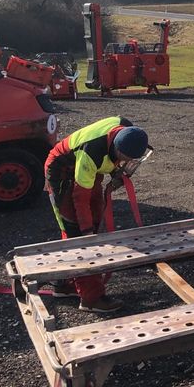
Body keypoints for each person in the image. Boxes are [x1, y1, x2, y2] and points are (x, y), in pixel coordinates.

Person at [44, 116, 150, 313]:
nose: (125, 164)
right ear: (116, 149)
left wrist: (118, 171)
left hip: (87, 166)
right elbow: (79, 198)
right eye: (123, 159)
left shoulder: (128, 129)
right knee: (75, 231)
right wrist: (86, 232)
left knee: (96, 211)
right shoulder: (92, 153)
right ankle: (91, 298)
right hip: (62, 170)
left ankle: (64, 284)